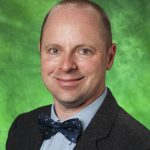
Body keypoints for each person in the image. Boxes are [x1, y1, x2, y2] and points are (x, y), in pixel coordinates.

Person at [6, 0, 150, 150]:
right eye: (54, 50)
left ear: (109, 57)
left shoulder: (140, 144)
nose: (67, 65)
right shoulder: (21, 127)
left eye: (84, 51)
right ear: (40, 51)